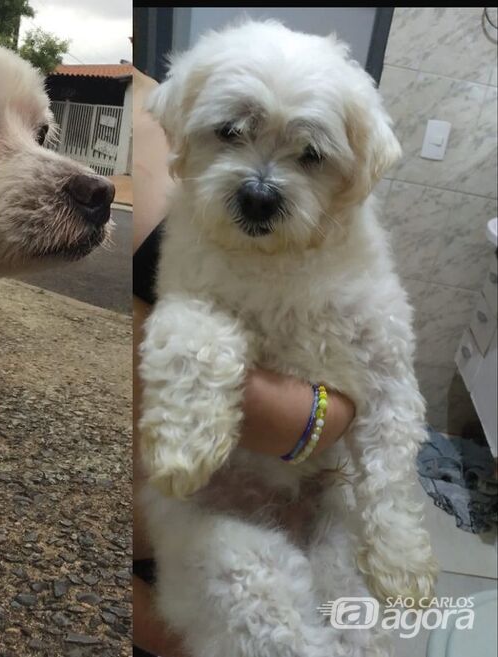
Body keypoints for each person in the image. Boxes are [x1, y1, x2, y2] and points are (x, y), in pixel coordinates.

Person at [131, 68, 359, 657]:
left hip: (292, 496)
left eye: (307, 155)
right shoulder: (180, 105)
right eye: (232, 133)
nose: (261, 183)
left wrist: (332, 413)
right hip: (180, 548)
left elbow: (330, 407)